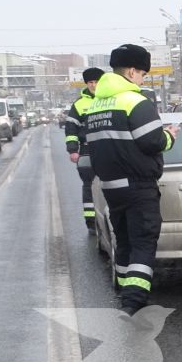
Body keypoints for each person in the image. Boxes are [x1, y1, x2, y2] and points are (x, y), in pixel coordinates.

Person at [86, 44, 173, 315]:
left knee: (123, 241)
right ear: (133, 71)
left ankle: (125, 292)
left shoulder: (96, 105)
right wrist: (170, 136)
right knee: (143, 242)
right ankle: (133, 302)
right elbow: (152, 141)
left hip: (112, 187)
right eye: (143, 74)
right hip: (138, 186)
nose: (143, 79)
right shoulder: (135, 101)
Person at [62, 67, 105, 234]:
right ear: (86, 84)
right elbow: (71, 130)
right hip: (87, 150)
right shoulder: (79, 104)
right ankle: (91, 222)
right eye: (90, 82)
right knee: (89, 186)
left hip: (108, 149)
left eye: (96, 82)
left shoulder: (110, 100)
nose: (94, 85)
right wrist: (73, 150)